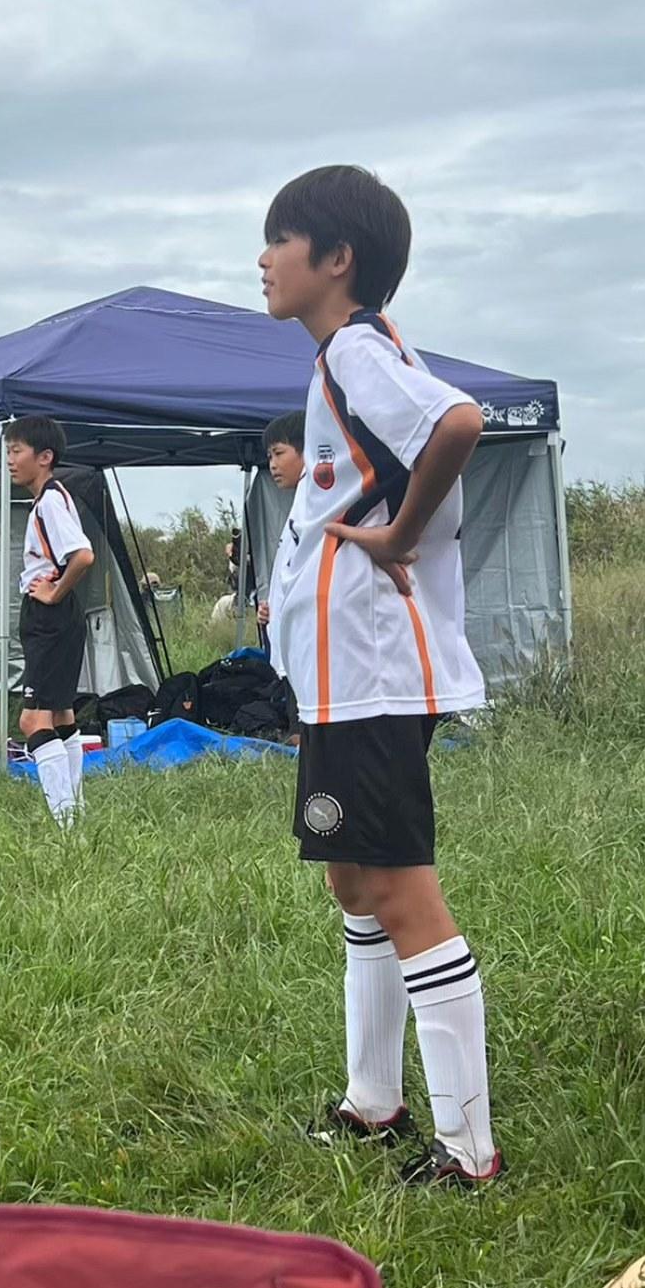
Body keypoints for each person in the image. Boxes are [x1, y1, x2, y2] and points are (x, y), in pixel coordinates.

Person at [258, 164, 501, 1185]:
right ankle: (373, 1102)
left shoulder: (358, 349)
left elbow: (458, 422)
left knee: (398, 887)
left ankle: (468, 1147)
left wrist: (399, 535)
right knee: (353, 878)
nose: (262, 259)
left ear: (336, 258)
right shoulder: (343, 359)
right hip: (341, 673)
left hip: (372, 671)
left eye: (278, 240)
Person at [5, 417, 95, 826]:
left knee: (32, 719)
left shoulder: (49, 503)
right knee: (60, 714)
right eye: (8, 452)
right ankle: (74, 811)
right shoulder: (55, 497)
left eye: (17, 451)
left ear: (45, 457)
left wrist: (55, 593)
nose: (10, 460)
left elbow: (83, 555)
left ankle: (65, 822)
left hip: (49, 615)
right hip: (58, 615)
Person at [256, 410, 306, 671]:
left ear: (306, 450)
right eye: (269, 457)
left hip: (301, 657)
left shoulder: (314, 505)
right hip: (287, 658)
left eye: (278, 453)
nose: (273, 464)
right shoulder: (300, 503)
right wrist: (272, 608)